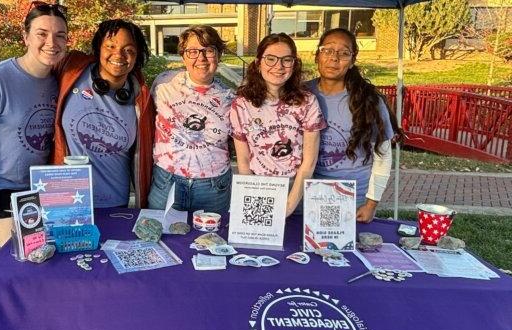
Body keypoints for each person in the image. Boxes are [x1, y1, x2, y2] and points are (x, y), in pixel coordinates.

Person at [0, 2, 68, 246]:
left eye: (60, 35)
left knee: (46, 254)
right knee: (18, 256)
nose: (52, 42)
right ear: (26, 37)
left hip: (43, 187)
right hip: (3, 188)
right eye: (42, 34)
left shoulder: (59, 79)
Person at [49, 19, 154, 209]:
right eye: (110, 46)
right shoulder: (71, 69)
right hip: (66, 198)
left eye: (129, 49)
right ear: (98, 48)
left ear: (137, 56)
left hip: (115, 202)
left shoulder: (142, 98)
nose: (119, 54)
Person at [229, 33, 326, 217]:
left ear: (294, 64)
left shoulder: (307, 102)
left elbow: (309, 162)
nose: (278, 66)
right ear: (258, 63)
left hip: (296, 188)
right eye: (270, 59)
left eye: (286, 60)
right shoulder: (241, 105)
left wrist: (289, 206)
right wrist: (253, 198)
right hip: (257, 188)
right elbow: (243, 162)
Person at [308, 28, 398, 223]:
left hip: (353, 199)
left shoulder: (369, 100)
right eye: (328, 50)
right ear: (317, 55)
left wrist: (371, 204)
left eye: (344, 53)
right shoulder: (302, 94)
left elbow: (383, 156)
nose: (334, 58)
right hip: (308, 195)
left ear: (352, 61)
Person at [147, 25, 234, 214]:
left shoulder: (230, 97)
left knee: (211, 241)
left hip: (213, 188)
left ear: (219, 55)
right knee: (159, 237)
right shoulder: (163, 84)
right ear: (183, 56)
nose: (201, 58)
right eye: (193, 51)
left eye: (209, 50)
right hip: (166, 182)